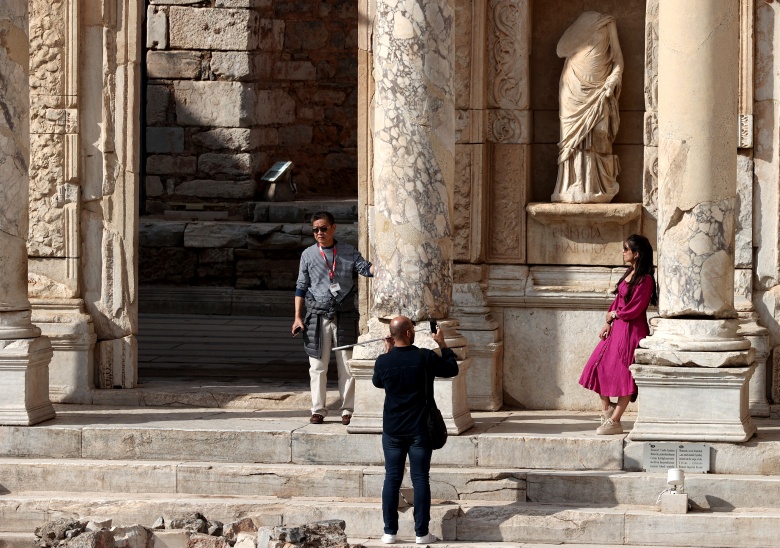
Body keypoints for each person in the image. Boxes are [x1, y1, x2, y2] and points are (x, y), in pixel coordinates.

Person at [372, 316, 459, 545]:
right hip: (419, 430)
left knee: (392, 478)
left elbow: (379, 383)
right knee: (420, 479)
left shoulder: (383, 361)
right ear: (409, 333)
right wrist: (442, 343)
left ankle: (389, 532)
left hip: (393, 430)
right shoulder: (425, 356)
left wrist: (389, 352)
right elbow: (451, 368)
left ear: (393, 335)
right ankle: (421, 533)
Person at [292, 211, 373, 425]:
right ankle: (318, 409)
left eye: (323, 228)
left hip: (344, 314)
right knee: (317, 365)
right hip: (316, 316)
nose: (319, 232)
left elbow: (365, 268)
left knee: (346, 365)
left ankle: (347, 410)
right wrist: (297, 318)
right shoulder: (308, 255)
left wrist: (383, 268)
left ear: (333, 228)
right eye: (315, 229)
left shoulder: (347, 251)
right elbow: (300, 287)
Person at [579, 234, 657, 435]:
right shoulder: (629, 273)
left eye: (626, 249)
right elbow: (618, 300)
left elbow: (635, 308)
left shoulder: (645, 279)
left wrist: (615, 314)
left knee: (625, 373)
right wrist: (608, 321)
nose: (623, 252)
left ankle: (615, 421)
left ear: (636, 254)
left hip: (632, 329)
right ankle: (607, 409)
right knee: (597, 366)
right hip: (617, 328)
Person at [552, 11, 624, 204]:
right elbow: (561, 50)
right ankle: (571, 185)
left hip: (600, 88)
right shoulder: (579, 23)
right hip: (573, 88)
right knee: (573, 141)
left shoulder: (608, 22)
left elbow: (617, 58)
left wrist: (614, 77)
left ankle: (597, 186)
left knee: (600, 136)